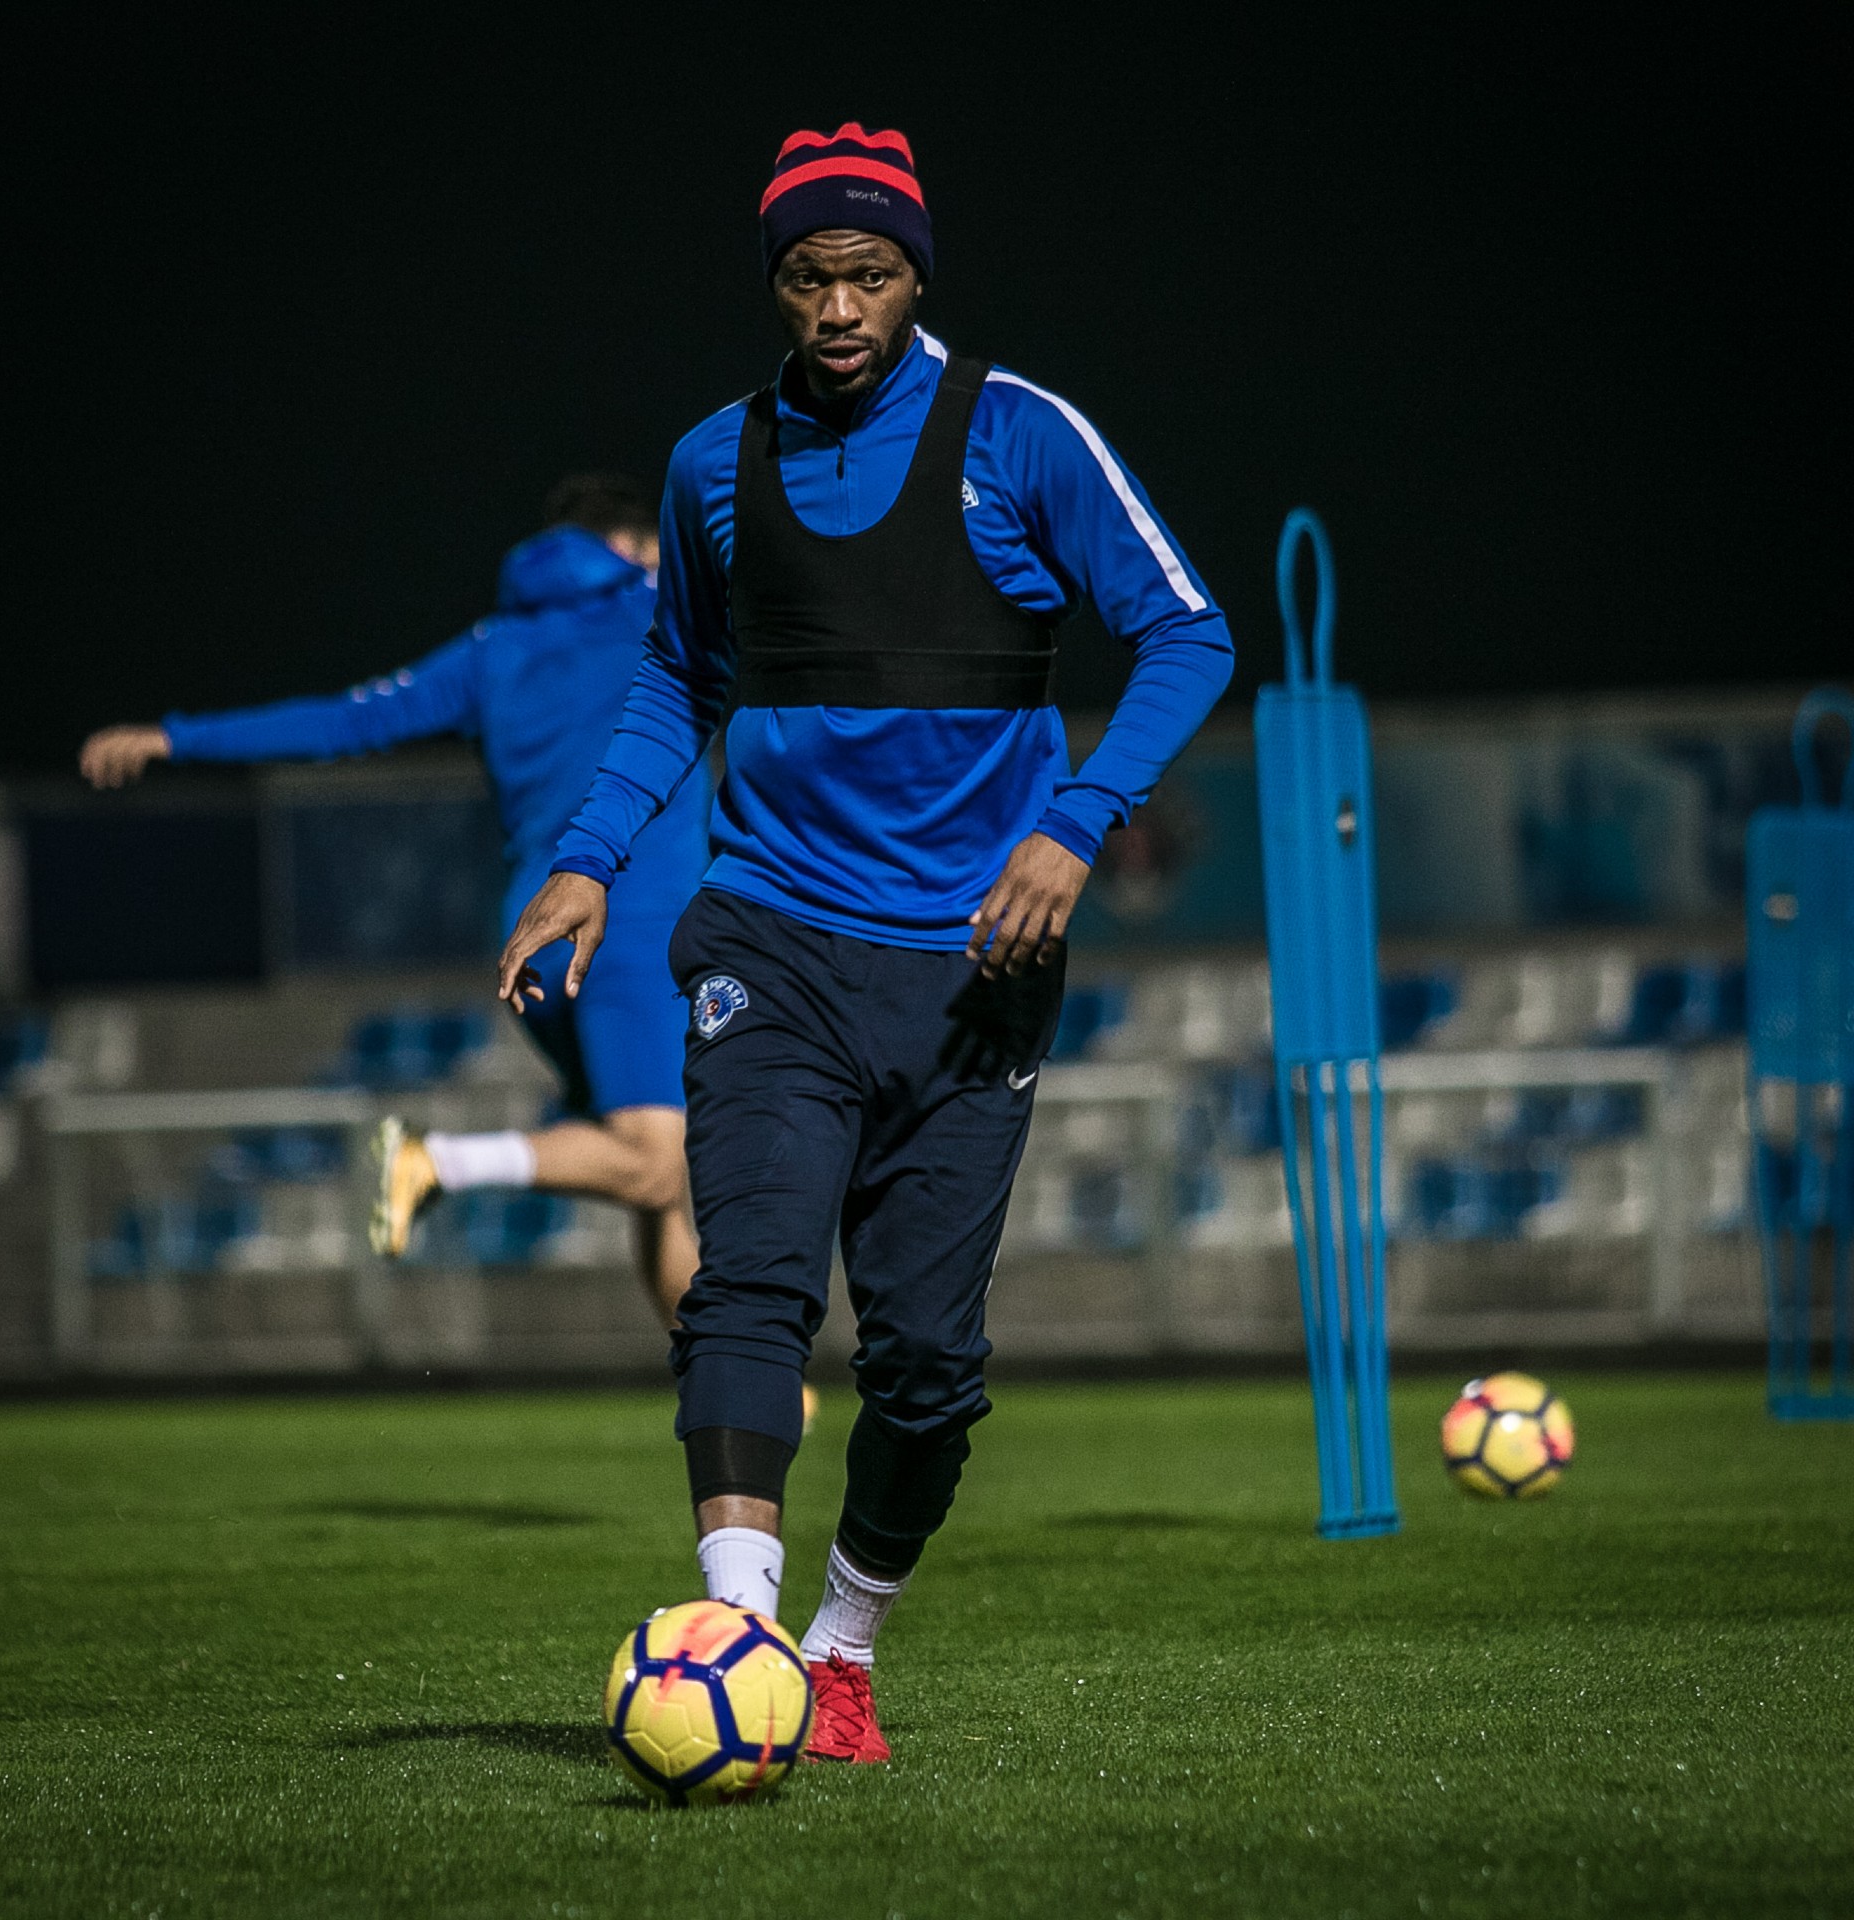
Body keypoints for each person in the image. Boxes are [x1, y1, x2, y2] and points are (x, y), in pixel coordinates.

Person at [498, 124, 1235, 1761]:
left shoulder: (1023, 436)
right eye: (808, 276)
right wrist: (587, 860)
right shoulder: (713, 462)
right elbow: (678, 678)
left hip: (975, 970)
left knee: (924, 1363)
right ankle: (739, 1633)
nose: (838, 306)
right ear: (774, 281)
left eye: (871, 273)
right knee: (749, 1282)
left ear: (916, 276)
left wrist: (1075, 822)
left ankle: (842, 1643)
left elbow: (1191, 632)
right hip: (771, 937)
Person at [79, 474, 709, 1325]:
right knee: (656, 1165)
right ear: (632, 548)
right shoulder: (662, 607)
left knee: (648, 1185)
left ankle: (736, 1386)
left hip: (533, 932)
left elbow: (345, 721)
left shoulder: (493, 649)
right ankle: (438, 1162)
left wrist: (175, 736)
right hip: (629, 921)